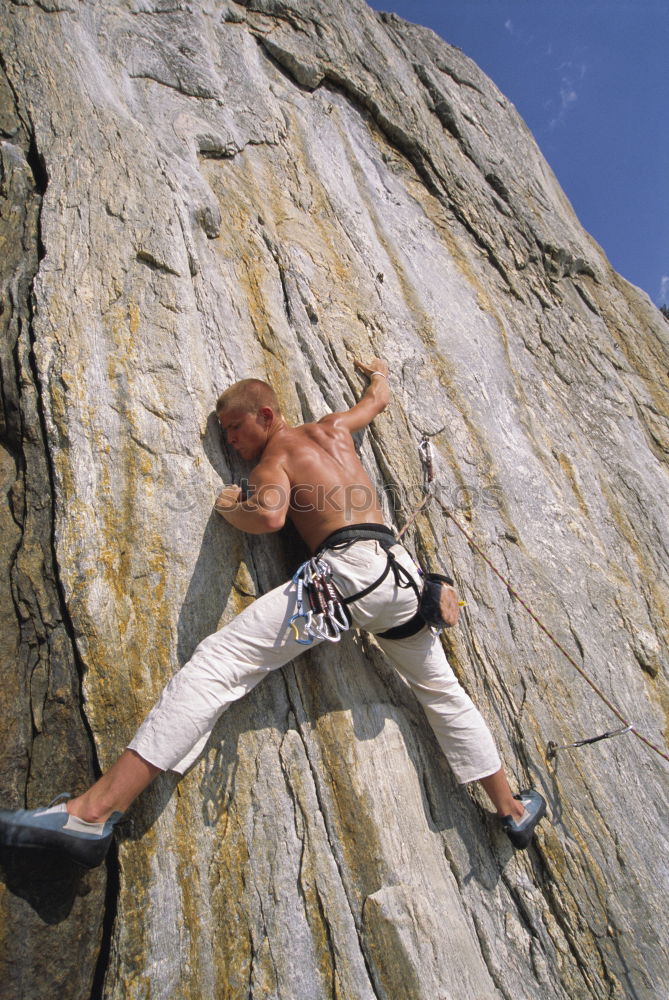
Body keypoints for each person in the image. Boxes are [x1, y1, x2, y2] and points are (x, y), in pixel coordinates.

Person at [0, 358, 546, 868]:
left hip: (347, 576)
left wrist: (229, 505)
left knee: (219, 664)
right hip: (402, 577)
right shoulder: (335, 428)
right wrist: (376, 372)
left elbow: (268, 518)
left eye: (233, 428)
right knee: (442, 692)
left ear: (265, 415)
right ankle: (513, 812)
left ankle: (90, 815)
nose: (230, 441)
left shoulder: (274, 458)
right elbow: (378, 399)